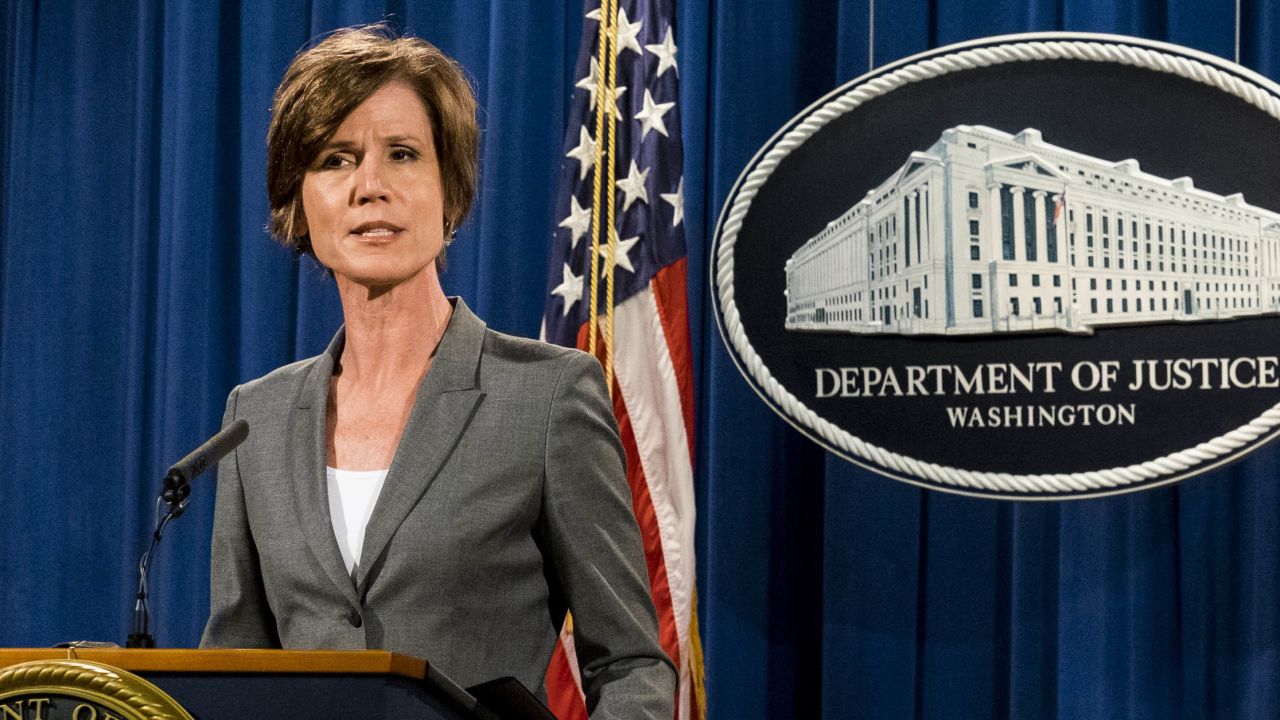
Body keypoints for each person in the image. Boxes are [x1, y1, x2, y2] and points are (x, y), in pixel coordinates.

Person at [199, 26, 676, 717]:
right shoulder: (255, 420)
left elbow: (632, 666)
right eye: (335, 160)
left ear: (449, 193)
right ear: (299, 203)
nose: (370, 187)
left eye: (402, 155)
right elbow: (233, 673)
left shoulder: (546, 397)